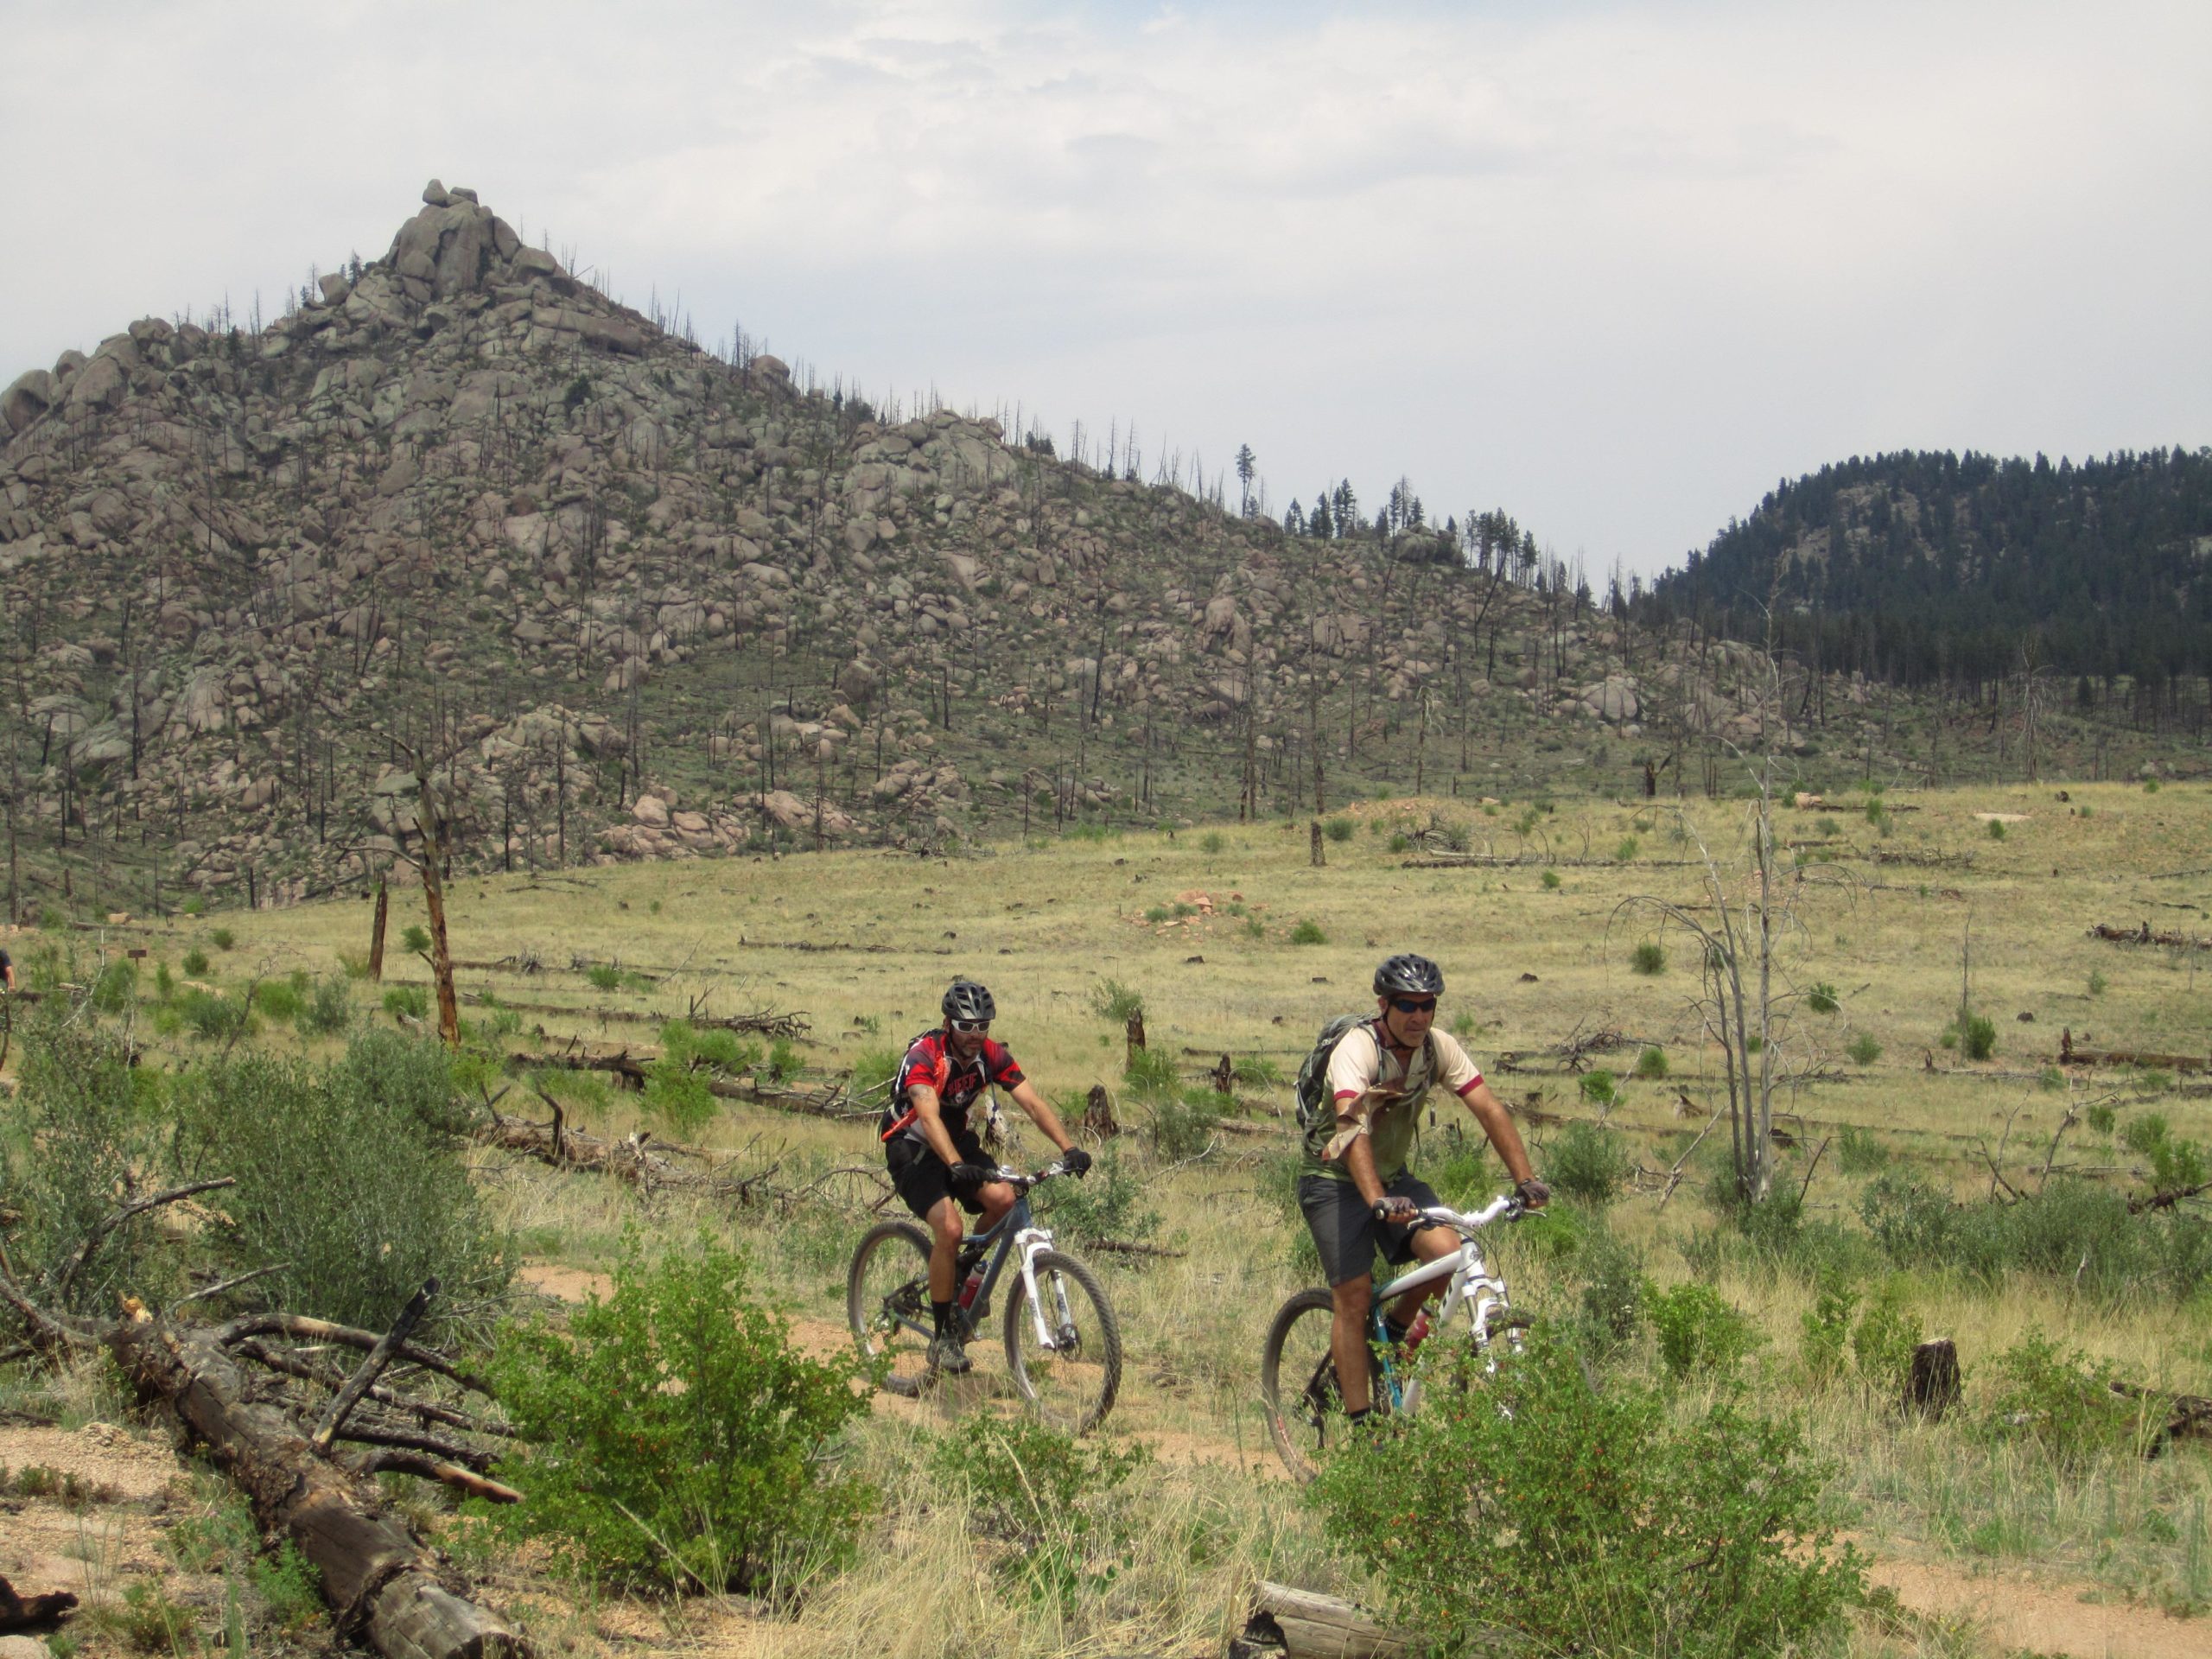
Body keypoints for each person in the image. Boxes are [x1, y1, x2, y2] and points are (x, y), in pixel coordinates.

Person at [1300, 953, 1548, 1422]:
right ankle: (1365, 1433)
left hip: (1391, 1179)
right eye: (1407, 1005)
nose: (1418, 1016)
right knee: (1352, 1298)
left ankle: (1394, 1335)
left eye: (1427, 1005)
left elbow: (1489, 1109)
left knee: (1449, 1251)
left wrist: (1525, 1179)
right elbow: (1351, 1127)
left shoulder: (1438, 1048)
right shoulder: (1357, 1049)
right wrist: (1374, 1199)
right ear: (1384, 1005)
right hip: (1332, 1180)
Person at [882, 978, 1090, 1373]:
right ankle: (943, 1339)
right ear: (949, 1024)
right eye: (967, 1026)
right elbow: (927, 1116)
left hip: (956, 1141)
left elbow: (1031, 1102)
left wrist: (1069, 1148)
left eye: (983, 1025)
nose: (975, 1035)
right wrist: (955, 1165)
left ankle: (962, 1271)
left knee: (1004, 1200)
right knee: (951, 1230)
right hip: (911, 1147)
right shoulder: (925, 1056)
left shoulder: (991, 1055)